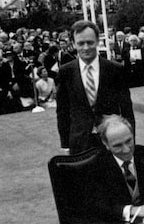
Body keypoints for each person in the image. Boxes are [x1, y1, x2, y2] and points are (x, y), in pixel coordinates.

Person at [56, 21, 134, 154]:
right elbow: (62, 111)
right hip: (79, 141)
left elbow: (126, 109)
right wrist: (65, 145)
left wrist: (131, 139)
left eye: (90, 42)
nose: (86, 47)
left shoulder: (115, 69)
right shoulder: (65, 72)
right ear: (73, 43)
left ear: (98, 41)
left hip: (112, 139)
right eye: (81, 43)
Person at [87, 115, 144, 224]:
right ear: (106, 144)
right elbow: (96, 207)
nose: (126, 150)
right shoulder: (95, 166)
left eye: (129, 141)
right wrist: (134, 210)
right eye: (118, 146)